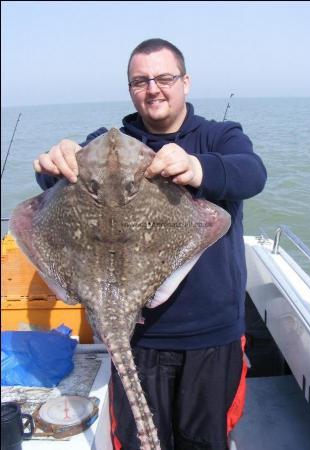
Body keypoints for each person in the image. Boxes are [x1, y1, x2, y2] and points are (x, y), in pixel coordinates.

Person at [34, 38, 267, 449]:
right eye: (140, 81)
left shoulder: (219, 136)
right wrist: (55, 162)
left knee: (206, 441)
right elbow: (51, 189)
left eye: (164, 77)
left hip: (213, 335)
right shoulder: (106, 144)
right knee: (140, 440)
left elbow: (252, 174)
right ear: (130, 89)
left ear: (185, 82)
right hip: (138, 337)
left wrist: (197, 167)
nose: (153, 88)